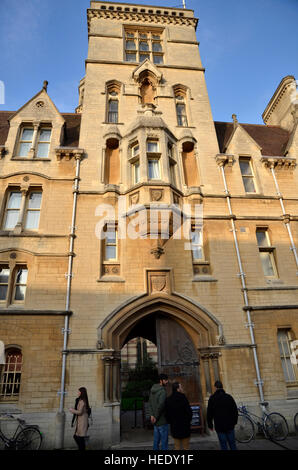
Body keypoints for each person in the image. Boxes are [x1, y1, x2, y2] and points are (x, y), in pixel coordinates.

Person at [207, 380, 238, 450]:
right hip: (230, 425)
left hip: (219, 425)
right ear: (222, 387)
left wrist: (210, 425)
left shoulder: (212, 398)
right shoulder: (229, 397)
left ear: (215, 387)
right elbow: (235, 411)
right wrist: (234, 422)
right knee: (232, 444)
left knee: (223, 444)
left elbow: (209, 413)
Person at [165, 382, 193, 450]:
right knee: (186, 447)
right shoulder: (183, 397)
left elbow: (166, 413)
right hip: (184, 426)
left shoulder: (168, 399)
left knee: (177, 447)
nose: (181, 388)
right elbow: (189, 411)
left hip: (175, 426)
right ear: (178, 389)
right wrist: (188, 420)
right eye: (180, 387)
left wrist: (170, 421)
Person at [148, 373, 169, 450]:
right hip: (162, 421)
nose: (167, 382)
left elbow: (149, 403)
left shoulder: (153, 389)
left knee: (156, 442)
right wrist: (155, 417)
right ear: (161, 381)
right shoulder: (162, 391)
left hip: (155, 421)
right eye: (165, 380)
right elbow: (160, 406)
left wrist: (152, 415)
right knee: (164, 443)